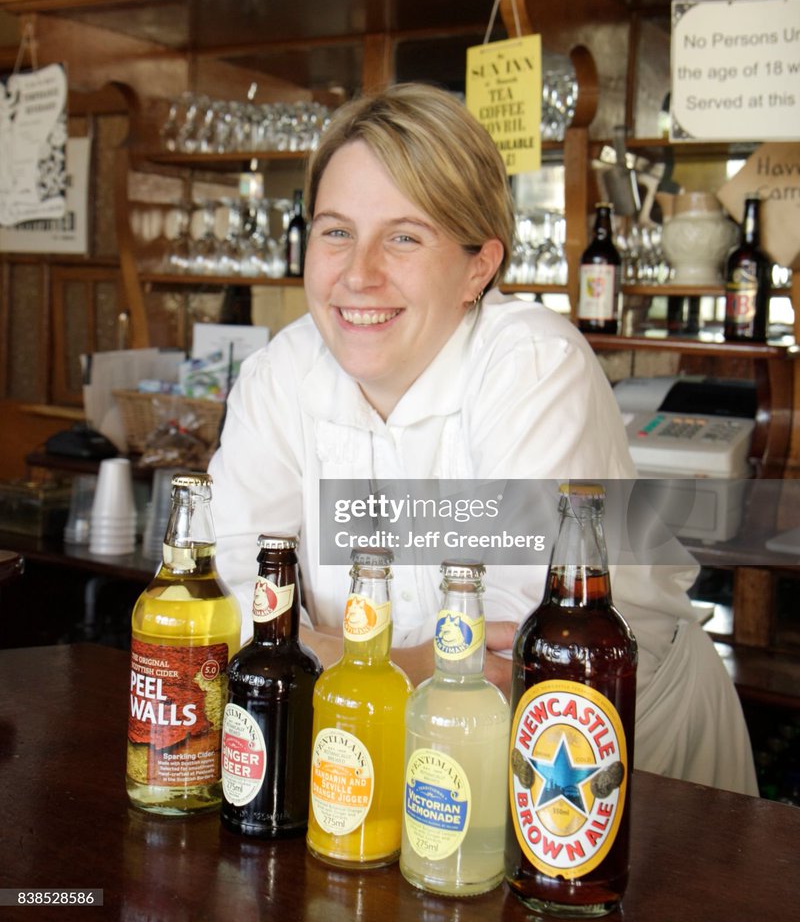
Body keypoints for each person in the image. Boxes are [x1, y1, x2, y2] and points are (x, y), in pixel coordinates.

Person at [210, 82, 757, 796]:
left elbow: (514, 657)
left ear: (479, 266)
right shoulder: (278, 374)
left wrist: (309, 652)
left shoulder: (536, 365)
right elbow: (227, 586)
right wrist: (350, 661)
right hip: (390, 763)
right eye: (335, 230)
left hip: (624, 763)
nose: (358, 273)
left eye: (404, 236)